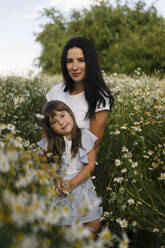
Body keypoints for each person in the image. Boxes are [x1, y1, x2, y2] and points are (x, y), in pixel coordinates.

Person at [40, 100, 102, 234]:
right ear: (49, 128)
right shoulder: (49, 143)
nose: (61, 122)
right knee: (64, 228)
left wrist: (73, 183)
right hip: (60, 188)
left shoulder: (84, 135)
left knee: (94, 223)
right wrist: (55, 178)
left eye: (62, 116)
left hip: (82, 184)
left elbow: (90, 164)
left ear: (70, 113)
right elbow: (44, 165)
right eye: (54, 122)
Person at [45, 37, 114, 153]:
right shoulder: (55, 92)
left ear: (90, 62)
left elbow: (93, 146)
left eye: (81, 60)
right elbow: (46, 137)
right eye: (69, 61)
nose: (74, 67)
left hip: (78, 168)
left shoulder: (100, 98)